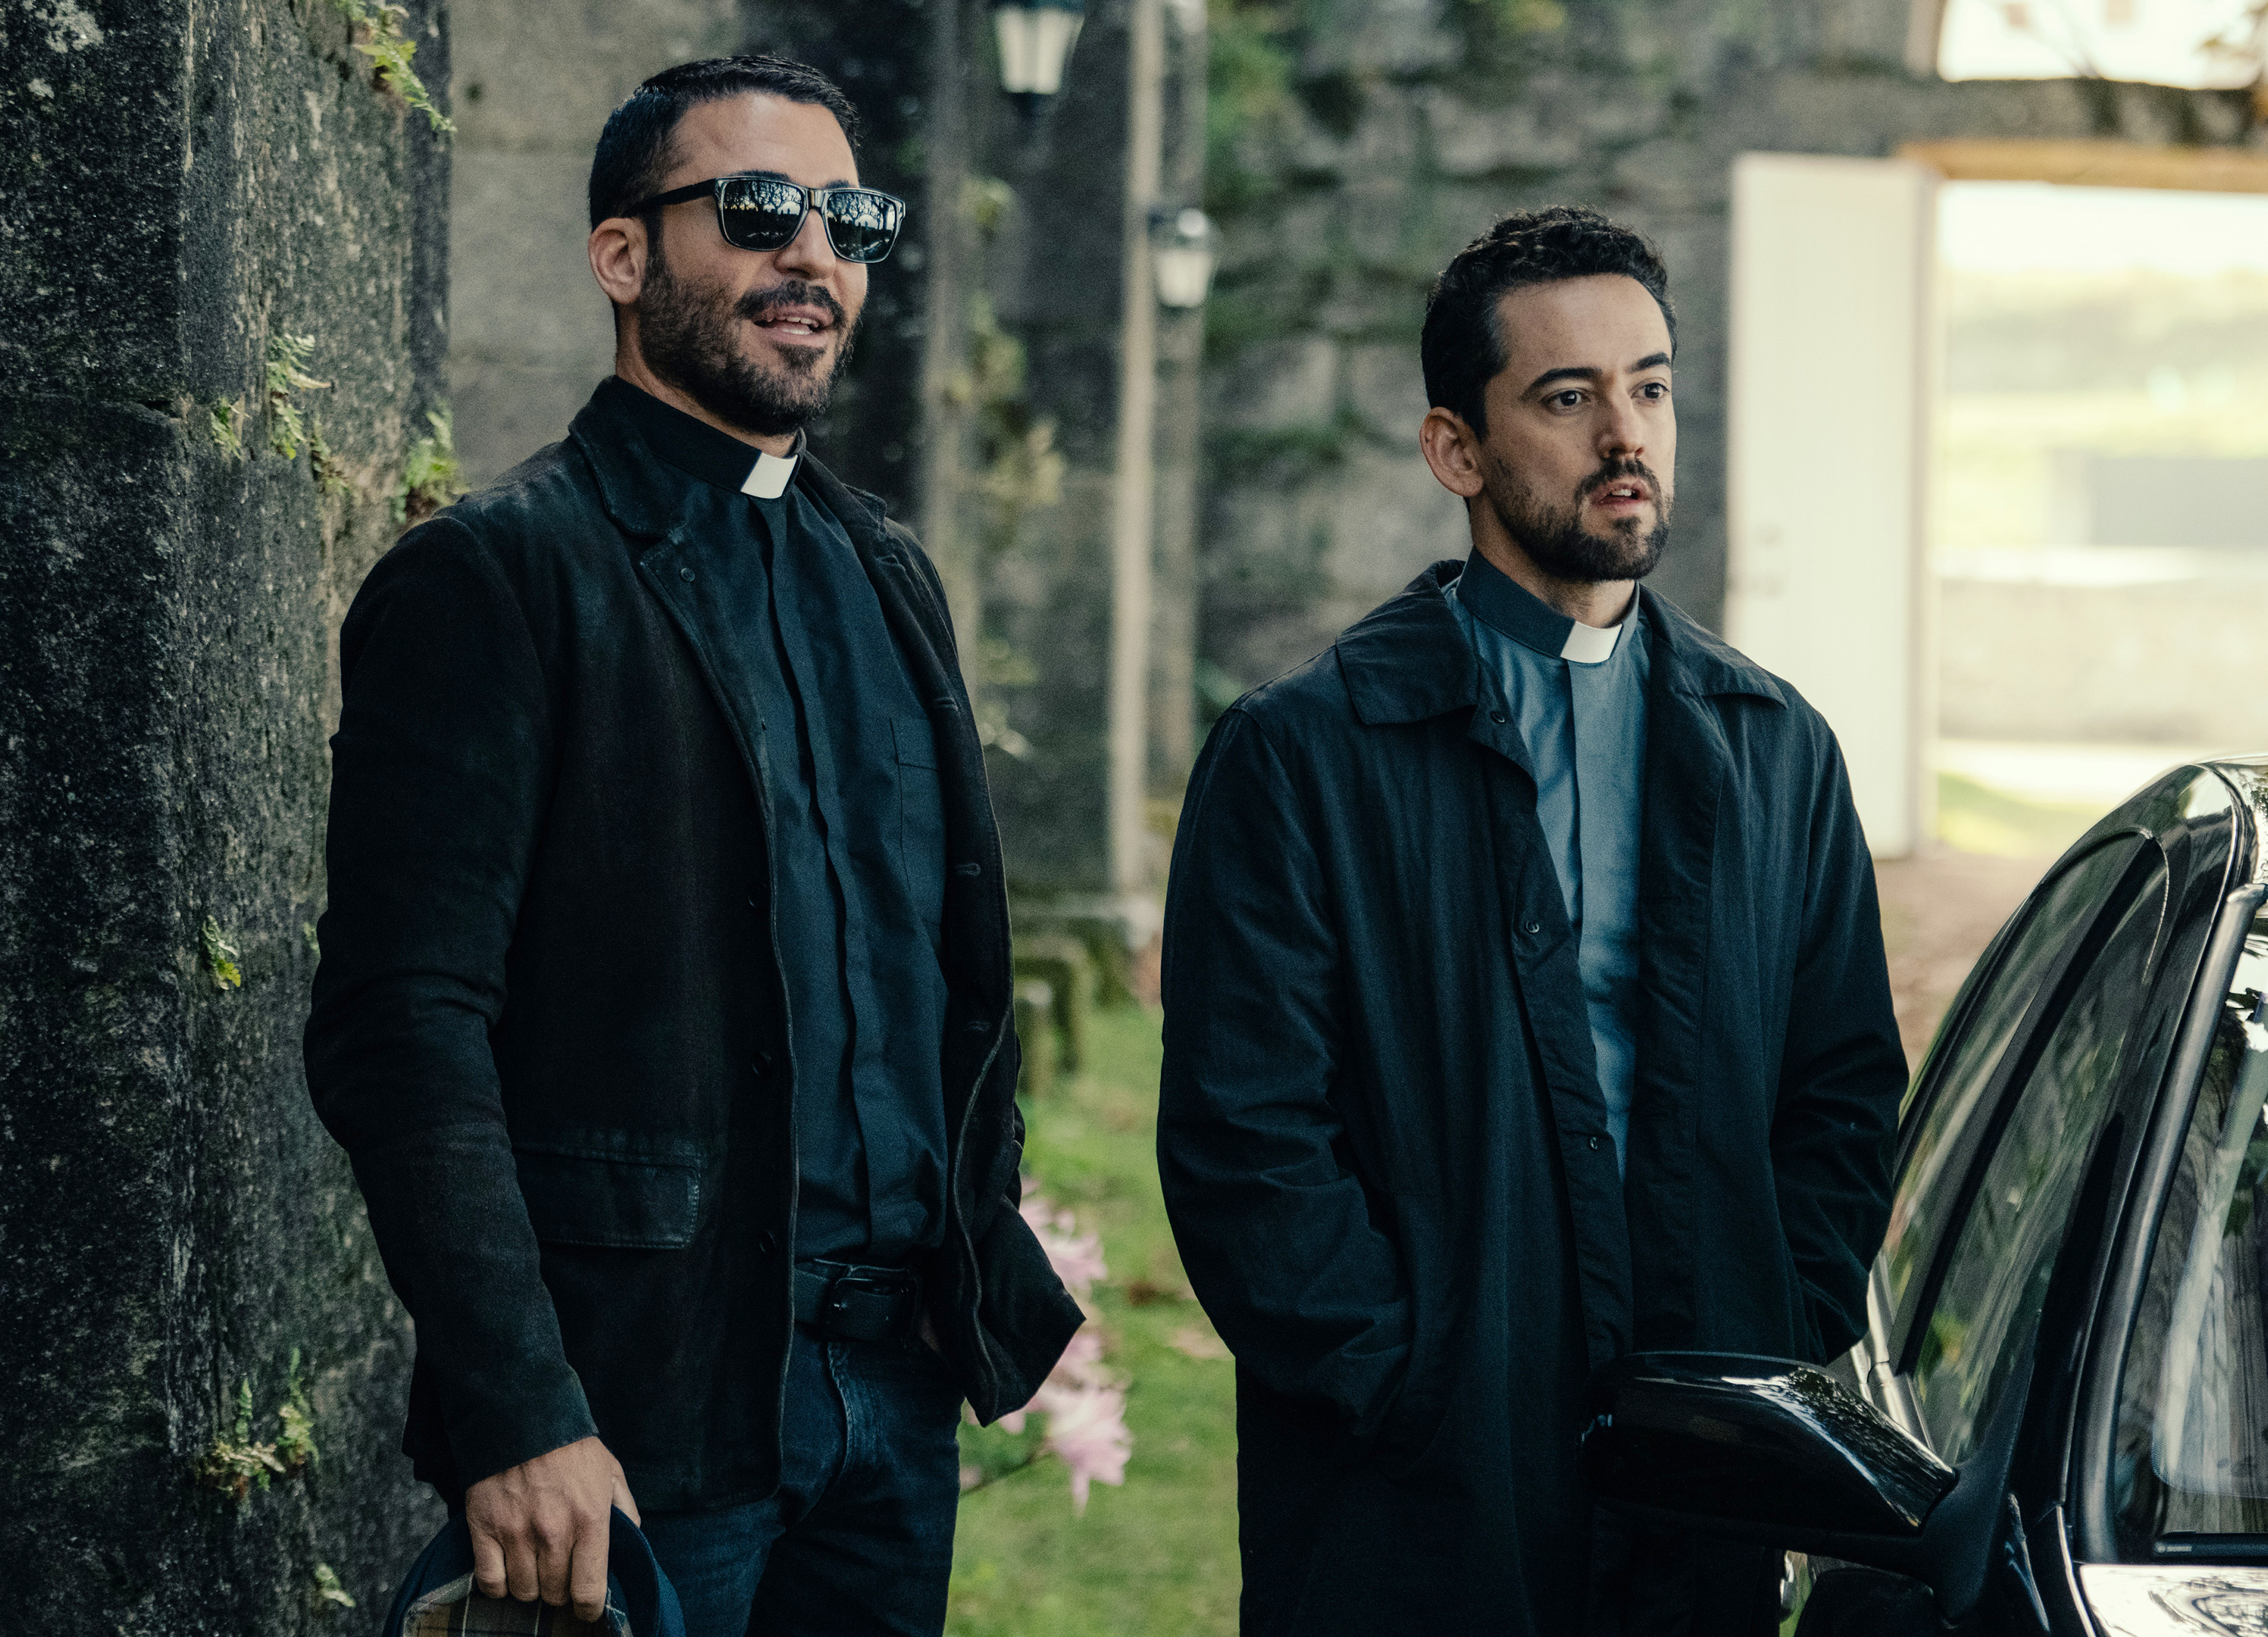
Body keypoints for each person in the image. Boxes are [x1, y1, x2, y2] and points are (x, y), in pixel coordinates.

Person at [304, 55, 1079, 1636]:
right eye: (760, 209)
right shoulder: (496, 576)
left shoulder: (889, 576)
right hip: (641, 1414)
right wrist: (521, 1411)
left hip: (891, 1404)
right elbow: (403, 1024)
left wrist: (970, 1248)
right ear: (622, 255)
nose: (814, 255)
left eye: (850, 221)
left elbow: (948, 974)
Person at [1157, 205, 1909, 1635]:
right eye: (1567, 399)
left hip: (1701, 1470)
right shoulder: (1304, 754)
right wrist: (1403, 1381)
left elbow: (1843, 1094)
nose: (1625, 435)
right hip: (1416, 1491)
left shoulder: (1778, 751)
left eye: (1650, 387)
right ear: (1457, 449)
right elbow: (1244, 1136)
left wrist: (1771, 1334)